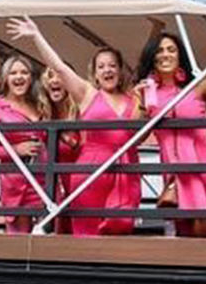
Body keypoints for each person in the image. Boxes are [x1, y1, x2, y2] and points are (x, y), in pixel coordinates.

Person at [8, 16, 140, 236]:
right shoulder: (88, 93)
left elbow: (139, 136)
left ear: (120, 70)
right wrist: (36, 36)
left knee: (121, 231)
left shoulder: (133, 100)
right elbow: (58, 67)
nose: (107, 70)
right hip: (91, 170)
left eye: (112, 66)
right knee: (86, 235)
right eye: (102, 66)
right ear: (95, 73)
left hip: (125, 169)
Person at [135, 28, 206, 238]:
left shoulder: (199, 85)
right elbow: (138, 136)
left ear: (179, 55)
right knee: (184, 230)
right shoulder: (147, 92)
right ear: (152, 57)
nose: (165, 54)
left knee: (205, 225)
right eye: (159, 51)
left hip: (204, 160)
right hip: (174, 168)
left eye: (171, 50)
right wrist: (139, 103)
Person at [0, 55, 47, 235]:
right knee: (19, 237)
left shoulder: (40, 103)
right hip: (17, 182)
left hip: (45, 178)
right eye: (13, 73)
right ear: (5, 79)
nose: (19, 77)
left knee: (48, 234)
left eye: (24, 72)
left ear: (31, 77)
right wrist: (15, 150)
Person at [40, 65, 80, 234]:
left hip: (78, 182)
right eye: (50, 76)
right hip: (53, 186)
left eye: (60, 76)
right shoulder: (42, 114)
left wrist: (66, 138)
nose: (55, 80)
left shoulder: (80, 112)